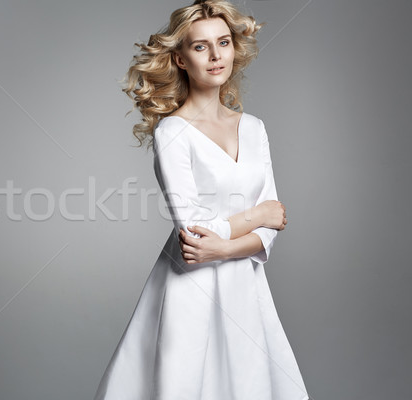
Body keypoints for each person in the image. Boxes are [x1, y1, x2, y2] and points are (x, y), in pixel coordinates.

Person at [94, 1, 309, 399]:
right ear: (179, 58)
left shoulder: (255, 128)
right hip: (189, 293)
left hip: (246, 289)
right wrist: (257, 215)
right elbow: (194, 236)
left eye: (223, 43)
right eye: (200, 47)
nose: (215, 56)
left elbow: (271, 229)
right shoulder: (172, 132)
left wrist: (225, 245)